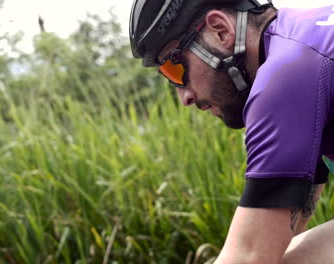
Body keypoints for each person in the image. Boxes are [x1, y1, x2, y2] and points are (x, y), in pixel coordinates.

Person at [129, 0, 334, 263]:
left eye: (174, 69)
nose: (184, 98)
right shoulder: (306, 36)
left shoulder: (287, 73)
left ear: (220, 30)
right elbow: (277, 229)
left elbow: (249, 256)